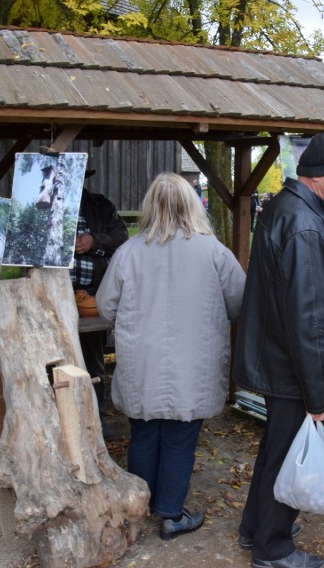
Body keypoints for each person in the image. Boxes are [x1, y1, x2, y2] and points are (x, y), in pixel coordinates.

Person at [96, 172, 245, 541]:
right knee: (181, 437)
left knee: (144, 433)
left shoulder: (129, 251)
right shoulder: (213, 250)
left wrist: (132, 323)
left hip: (142, 361)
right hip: (194, 363)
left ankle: (139, 506)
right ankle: (171, 513)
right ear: (193, 204)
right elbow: (240, 302)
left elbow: (103, 306)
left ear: (150, 206)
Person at [234, 132, 324, 568]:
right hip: (292, 367)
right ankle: (273, 547)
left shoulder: (287, 208)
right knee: (288, 452)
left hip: (278, 356)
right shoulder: (304, 224)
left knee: (276, 449)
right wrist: (317, 396)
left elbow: (298, 298)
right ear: (320, 175)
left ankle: (257, 528)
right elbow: (306, 320)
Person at [69, 169, 128, 434]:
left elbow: (121, 235)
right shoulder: (41, 206)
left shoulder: (99, 205)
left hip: (92, 295)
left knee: (93, 359)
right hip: (49, 295)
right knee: (54, 358)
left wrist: (94, 241)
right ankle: (62, 418)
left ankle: (97, 420)